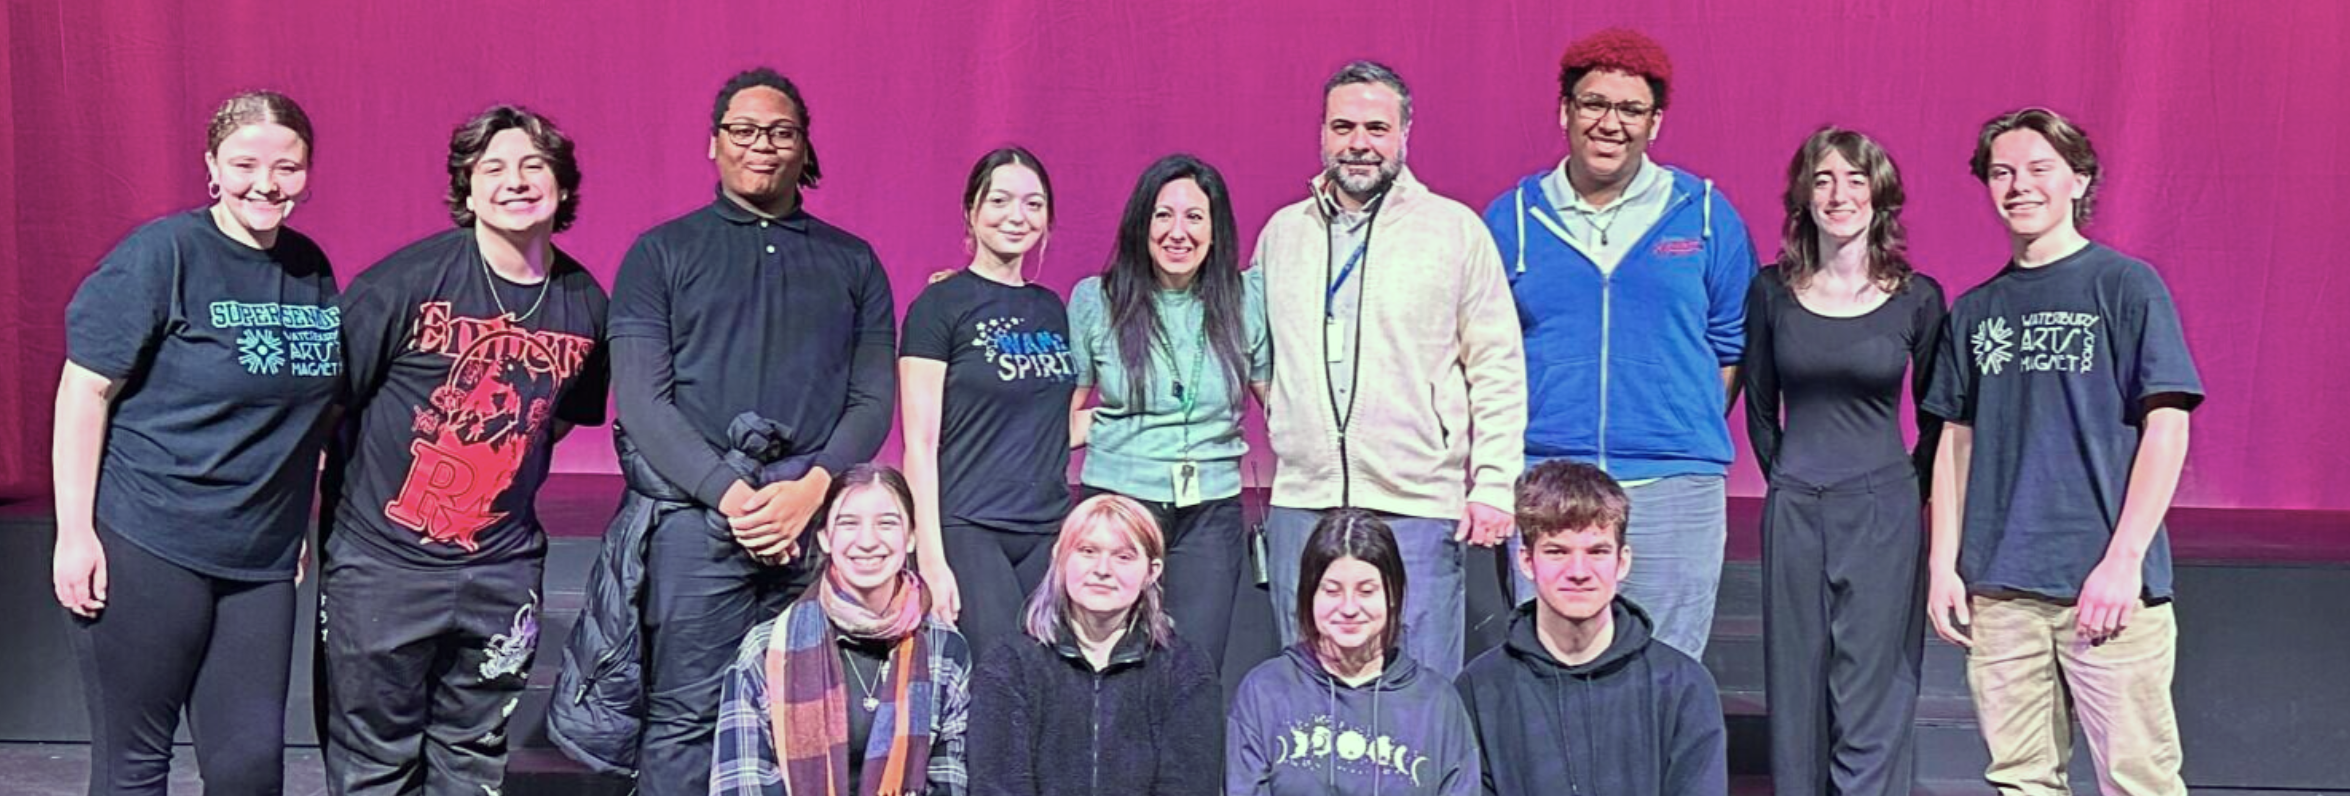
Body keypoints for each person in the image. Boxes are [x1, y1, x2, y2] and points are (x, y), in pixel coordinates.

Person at [549, 67, 897, 793]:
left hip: (809, 518)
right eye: (743, 131)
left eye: (780, 132)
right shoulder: (661, 253)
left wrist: (813, 487)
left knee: (807, 716)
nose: (761, 146)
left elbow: (870, 400)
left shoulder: (852, 261)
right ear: (714, 144)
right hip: (696, 520)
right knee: (684, 716)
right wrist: (729, 495)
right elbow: (643, 401)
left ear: (804, 146)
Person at [52, 90, 339, 795]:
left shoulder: (309, 267)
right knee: (135, 765)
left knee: (249, 769)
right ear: (211, 164)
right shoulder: (162, 255)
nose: (266, 185)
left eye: (288, 167)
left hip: (262, 561)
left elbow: (310, 407)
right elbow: (85, 392)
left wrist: (296, 512)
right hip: (150, 542)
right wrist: (74, 533)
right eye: (245, 164)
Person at [319, 104, 609, 795]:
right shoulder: (402, 285)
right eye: (495, 168)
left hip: (500, 571)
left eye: (534, 166)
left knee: (472, 759)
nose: (516, 182)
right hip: (382, 566)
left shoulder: (584, 302)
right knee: (372, 766)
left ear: (563, 186)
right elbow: (329, 406)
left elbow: (558, 418)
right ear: (468, 189)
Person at [1924, 108, 2202, 796]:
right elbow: (1955, 441)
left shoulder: (2126, 285)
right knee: (2020, 781)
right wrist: (1943, 566)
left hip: (2105, 590)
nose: (2020, 186)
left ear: (2078, 180)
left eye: (2040, 169)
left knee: (2138, 779)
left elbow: (2167, 426)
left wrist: (2122, 562)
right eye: (2002, 173)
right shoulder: (1975, 309)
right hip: (2001, 589)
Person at [1482, 27, 1759, 658]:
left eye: (1630, 109)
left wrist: (1670, 422)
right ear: (1565, 112)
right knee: (1547, 671)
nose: (1611, 123)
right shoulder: (1512, 218)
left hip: (1674, 486)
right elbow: (1483, 353)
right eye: (1594, 104)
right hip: (1546, 478)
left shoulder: (1706, 213)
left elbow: (1729, 344)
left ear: (1655, 122)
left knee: (1667, 671)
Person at [1254, 60, 1526, 679]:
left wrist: (1493, 483)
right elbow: (1257, 349)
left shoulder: (1455, 231)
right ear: (1321, 134)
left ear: (1406, 132)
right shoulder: (1281, 235)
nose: (1358, 143)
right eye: (1342, 126)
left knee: (1419, 690)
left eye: (1376, 127)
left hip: (1418, 506)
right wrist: (1286, 415)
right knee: (1305, 691)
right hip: (1305, 504)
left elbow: (1498, 366)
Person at [1740, 126, 1944, 796]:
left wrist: (1899, 491)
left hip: (1884, 509)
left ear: (1880, 195)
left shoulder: (1917, 297)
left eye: (1855, 179)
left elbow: (1938, 416)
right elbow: (1762, 411)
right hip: (1797, 505)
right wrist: (1794, 485)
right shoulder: (1772, 291)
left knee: (1872, 688)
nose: (1839, 193)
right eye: (1823, 179)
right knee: (1797, 687)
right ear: (1803, 195)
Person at [1067, 154, 1268, 675]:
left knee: (1194, 668)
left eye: (1195, 217)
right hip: (1118, 502)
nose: (1178, 232)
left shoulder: (1247, 299)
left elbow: (1281, 406)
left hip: (1211, 509)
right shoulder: (1097, 299)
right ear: (1142, 223)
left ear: (1216, 230)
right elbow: (1061, 420)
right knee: (1110, 663)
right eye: (1163, 215)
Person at [1456, 461, 1727, 796]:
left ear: (1622, 561)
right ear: (1526, 561)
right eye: (1557, 552)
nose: (1579, 571)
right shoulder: (1482, 687)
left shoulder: (1681, 684)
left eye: (1597, 551)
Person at [901, 146, 1078, 655]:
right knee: (1001, 679)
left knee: (1048, 680)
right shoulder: (938, 307)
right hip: (971, 527)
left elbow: (1049, 424)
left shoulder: (1051, 308)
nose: (1016, 216)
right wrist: (931, 557)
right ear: (972, 212)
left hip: (1046, 529)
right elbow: (920, 442)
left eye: (1033, 203)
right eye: (999, 200)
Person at [711, 464, 971, 796]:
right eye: (849, 523)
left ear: (910, 538)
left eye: (886, 523)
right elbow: (740, 783)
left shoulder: (945, 649)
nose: (867, 541)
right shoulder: (765, 649)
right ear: (825, 538)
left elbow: (950, 780)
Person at [969, 494, 1223, 795]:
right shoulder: (1010, 663)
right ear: (1059, 558)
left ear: (1152, 571)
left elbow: (1188, 786)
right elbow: (998, 786)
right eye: (1088, 551)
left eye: (1124, 556)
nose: (1102, 569)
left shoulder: (1186, 669)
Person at [1227, 510, 1481, 796]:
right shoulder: (1265, 691)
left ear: (1393, 596)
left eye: (1366, 591)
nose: (1349, 608)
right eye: (1332, 591)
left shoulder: (1436, 702)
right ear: (1309, 595)